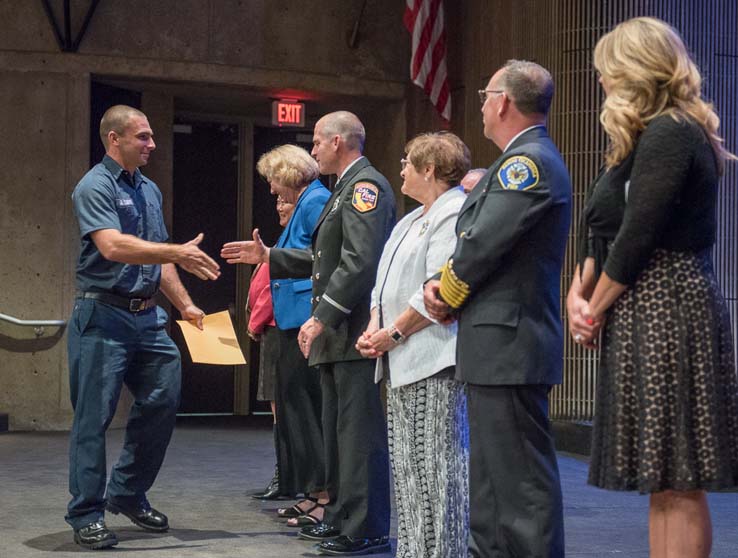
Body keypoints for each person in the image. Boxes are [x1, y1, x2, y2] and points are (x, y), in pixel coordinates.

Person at [567, 17, 738, 558]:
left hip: (670, 302)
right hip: (635, 303)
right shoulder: (632, 144)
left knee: (679, 473)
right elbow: (601, 229)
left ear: (635, 70)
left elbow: (641, 233)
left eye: (606, 72)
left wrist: (592, 309)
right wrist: (578, 292)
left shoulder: (673, 131)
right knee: (659, 474)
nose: (600, 83)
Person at [222, 111, 395, 556]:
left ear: (338, 141)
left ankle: (366, 527)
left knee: (357, 436)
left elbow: (358, 262)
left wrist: (322, 317)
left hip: (352, 332)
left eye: (317, 141)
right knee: (337, 434)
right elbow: (321, 259)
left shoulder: (364, 188)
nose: (312, 150)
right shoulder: (342, 190)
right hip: (337, 336)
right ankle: (341, 515)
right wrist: (269, 256)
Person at [424, 60, 570, 558]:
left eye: (486, 95)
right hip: (496, 342)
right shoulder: (519, 161)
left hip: (511, 341)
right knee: (489, 488)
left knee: (520, 488)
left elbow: (483, 242)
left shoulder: (525, 163)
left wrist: (444, 293)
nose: (482, 104)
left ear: (503, 101)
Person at [66, 105, 220, 549]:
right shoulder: (93, 186)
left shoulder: (148, 189)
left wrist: (187, 306)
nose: (152, 145)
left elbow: (158, 256)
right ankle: (86, 513)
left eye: (151, 137)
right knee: (93, 420)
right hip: (103, 316)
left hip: (149, 318)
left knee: (164, 400)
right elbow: (113, 246)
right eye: (144, 137)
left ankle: (128, 493)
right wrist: (173, 251)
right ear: (114, 139)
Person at [356, 131, 470, 558]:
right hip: (399, 362)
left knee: (437, 473)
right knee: (407, 471)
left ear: (430, 169)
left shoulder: (453, 211)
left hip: (433, 359)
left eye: (407, 162)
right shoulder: (410, 218)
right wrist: (373, 326)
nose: (400, 168)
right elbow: (382, 285)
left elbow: (437, 287)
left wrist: (395, 333)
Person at [253, 145, 331, 525]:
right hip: (289, 320)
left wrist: (269, 256)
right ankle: (311, 492)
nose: (271, 190)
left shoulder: (316, 200)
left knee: (307, 412)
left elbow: (324, 257)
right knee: (293, 412)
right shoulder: (306, 202)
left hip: (304, 319)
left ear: (288, 173)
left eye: (272, 180)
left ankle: (323, 497)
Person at [246, 196, 294, 501]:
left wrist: (255, 321)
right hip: (274, 330)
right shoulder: (284, 240)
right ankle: (286, 473)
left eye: (286, 201)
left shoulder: (291, 244)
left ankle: (286, 476)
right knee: (279, 410)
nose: (278, 205)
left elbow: (271, 289)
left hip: (279, 329)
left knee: (282, 410)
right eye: (276, 200)